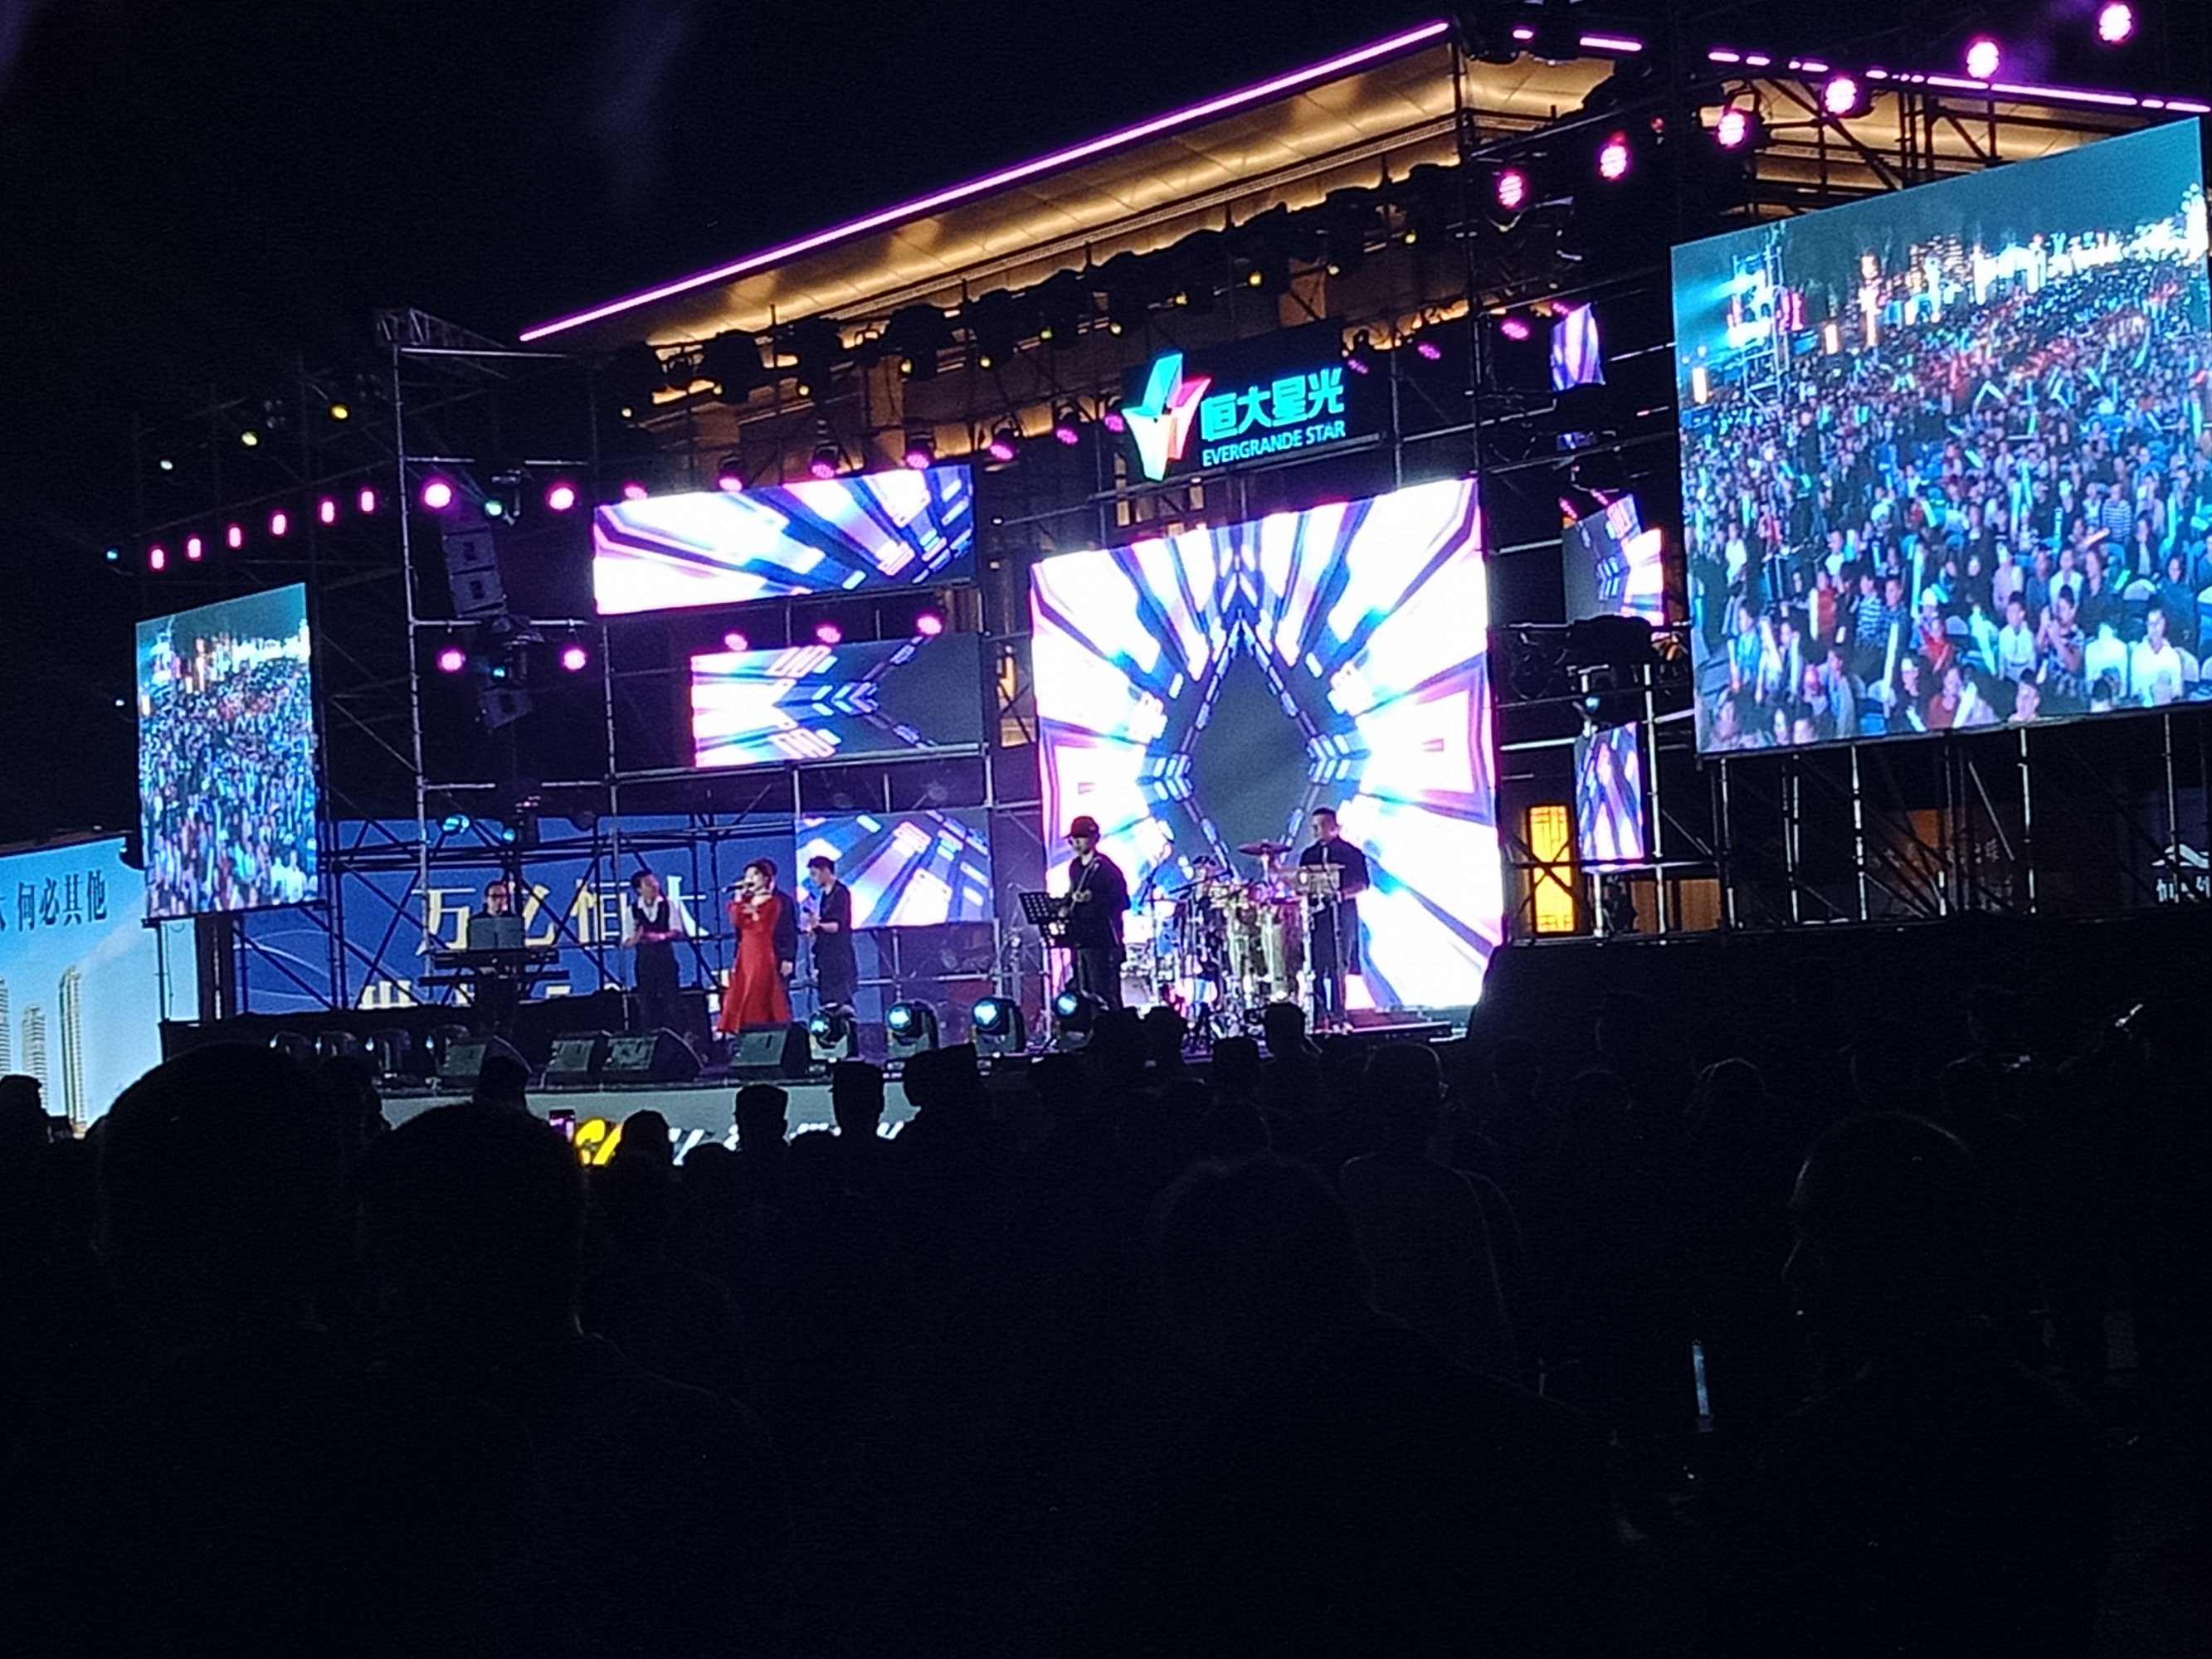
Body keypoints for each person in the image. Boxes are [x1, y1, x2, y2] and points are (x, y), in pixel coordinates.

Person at [1298, 805, 1370, 1033]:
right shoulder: (1308, 855)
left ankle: (1339, 1014)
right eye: (1313, 827)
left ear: (1334, 827)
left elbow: (1363, 884)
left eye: (1320, 826)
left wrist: (1341, 895)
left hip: (1343, 914)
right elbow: (1301, 884)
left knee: (1339, 964)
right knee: (1317, 965)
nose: (1316, 831)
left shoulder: (1351, 853)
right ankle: (1319, 1015)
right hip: (1317, 916)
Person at [1062, 814, 1130, 1011]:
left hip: (1103, 940)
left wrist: (1093, 898)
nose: (1076, 843)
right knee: (1081, 988)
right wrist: (1064, 907)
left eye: (1081, 837)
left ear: (1094, 839)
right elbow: (1072, 893)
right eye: (1073, 839)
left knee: (1103, 990)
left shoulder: (1106, 868)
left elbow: (1123, 900)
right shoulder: (1075, 867)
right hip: (1080, 936)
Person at [717, 859, 793, 1035]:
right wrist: (739, 898)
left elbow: (763, 928)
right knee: (742, 987)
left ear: (766, 878)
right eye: (748, 875)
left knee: (757, 988)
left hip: (762, 950)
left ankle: (760, 1025)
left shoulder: (774, 901)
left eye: (755, 875)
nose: (750, 879)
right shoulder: (747, 900)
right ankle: (742, 1029)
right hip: (746, 951)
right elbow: (738, 921)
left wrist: (755, 913)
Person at [621, 869, 698, 1037]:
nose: (654, 886)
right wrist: (638, 936)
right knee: (646, 999)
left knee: (672, 998)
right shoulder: (632, 910)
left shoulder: (668, 905)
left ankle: (678, 1035)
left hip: (665, 957)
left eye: (655, 882)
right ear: (639, 889)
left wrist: (661, 937)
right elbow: (626, 941)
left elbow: (677, 930)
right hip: (644, 960)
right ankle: (649, 1036)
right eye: (648, 884)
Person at [469, 878, 523, 1038]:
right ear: (486, 899)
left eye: (503, 897)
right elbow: (473, 952)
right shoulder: (477, 921)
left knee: (508, 1020)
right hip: (486, 980)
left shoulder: (513, 921)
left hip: (508, 980)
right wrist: (482, 966)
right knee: (486, 1019)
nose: (499, 901)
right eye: (495, 897)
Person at [802, 854, 857, 1010]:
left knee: (840, 1001)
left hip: (838, 958)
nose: (813, 879)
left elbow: (837, 925)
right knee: (827, 1001)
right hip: (825, 957)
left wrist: (818, 926)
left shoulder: (841, 893)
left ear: (826, 871)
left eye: (814, 874)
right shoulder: (824, 897)